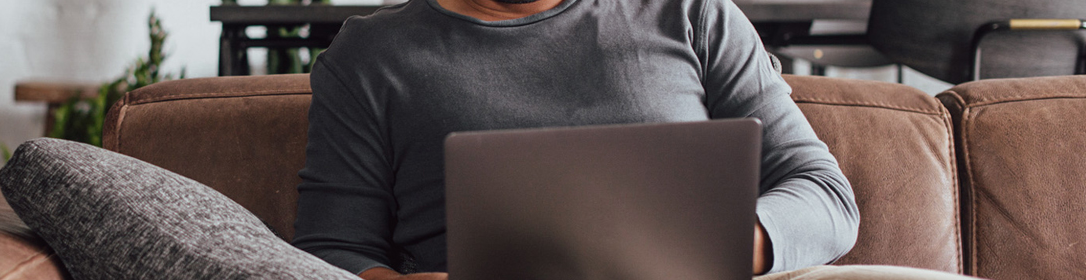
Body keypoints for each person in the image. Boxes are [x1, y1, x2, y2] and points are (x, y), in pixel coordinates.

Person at [290, 0, 974, 279]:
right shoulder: (369, 57)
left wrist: (724, 244)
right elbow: (331, 253)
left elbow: (826, 197)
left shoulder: (692, 14)